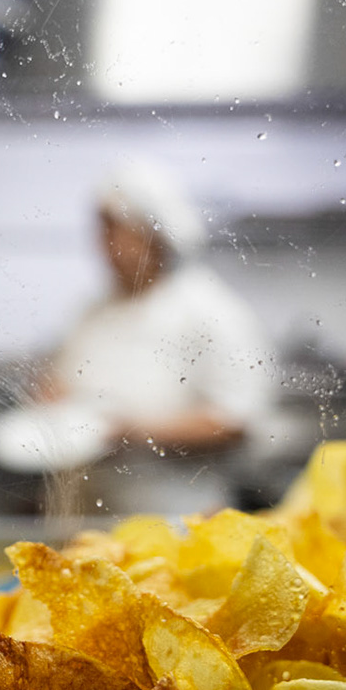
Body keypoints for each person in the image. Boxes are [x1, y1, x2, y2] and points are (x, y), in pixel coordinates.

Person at [35, 159, 276, 516]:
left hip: (177, 516)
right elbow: (62, 382)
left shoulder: (210, 311)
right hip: (92, 516)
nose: (104, 245)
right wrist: (53, 397)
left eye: (115, 230)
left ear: (153, 232)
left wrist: (132, 432)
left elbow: (234, 421)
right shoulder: (93, 311)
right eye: (100, 231)